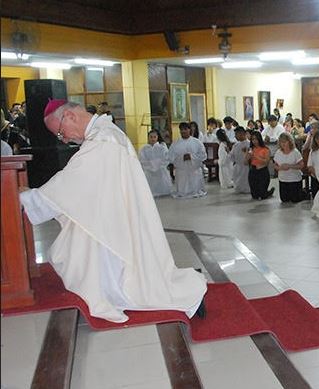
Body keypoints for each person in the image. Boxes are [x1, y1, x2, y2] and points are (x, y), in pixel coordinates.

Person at [19, 99, 206, 323]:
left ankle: (182, 298)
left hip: (114, 219)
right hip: (113, 213)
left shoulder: (103, 140)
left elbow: (73, 182)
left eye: (60, 133)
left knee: (83, 252)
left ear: (70, 116)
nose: (64, 139)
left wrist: (29, 197)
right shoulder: (104, 133)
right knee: (79, 241)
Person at [169, 122, 207, 198]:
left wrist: (191, 157)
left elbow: (203, 156)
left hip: (194, 170)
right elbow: (170, 157)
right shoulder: (175, 144)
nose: (183, 131)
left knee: (195, 187)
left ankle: (196, 190)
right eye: (181, 130)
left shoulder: (197, 142)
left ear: (189, 130)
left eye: (185, 129)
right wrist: (182, 158)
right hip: (182, 171)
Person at [139, 130, 173, 197]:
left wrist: (157, 165)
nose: (153, 139)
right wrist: (151, 166)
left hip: (161, 172)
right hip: (149, 173)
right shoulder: (144, 149)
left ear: (157, 137)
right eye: (151, 137)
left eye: (154, 137)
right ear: (148, 137)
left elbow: (166, 159)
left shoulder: (162, 148)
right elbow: (142, 160)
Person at [273, 133, 304, 203]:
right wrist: (280, 168)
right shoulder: (278, 152)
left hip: (294, 179)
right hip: (283, 180)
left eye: (285, 142)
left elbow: (301, 165)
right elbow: (275, 165)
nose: (283, 144)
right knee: (284, 200)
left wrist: (290, 166)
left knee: (295, 200)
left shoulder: (295, 152)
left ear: (289, 142)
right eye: (281, 142)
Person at [246, 130, 275, 200]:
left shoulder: (265, 149)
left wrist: (255, 156)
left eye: (256, 139)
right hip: (253, 171)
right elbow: (245, 162)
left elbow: (266, 162)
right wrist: (247, 156)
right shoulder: (251, 149)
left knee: (262, 195)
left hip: (262, 171)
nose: (254, 141)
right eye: (252, 139)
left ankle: (267, 192)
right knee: (255, 196)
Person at [229, 127, 251, 194]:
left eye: (236, 134)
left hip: (246, 166)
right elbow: (232, 156)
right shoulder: (236, 145)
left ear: (242, 134)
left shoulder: (249, 144)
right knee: (238, 181)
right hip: (238, 166)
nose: (235, 136)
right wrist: (228, 152)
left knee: (246, 180)